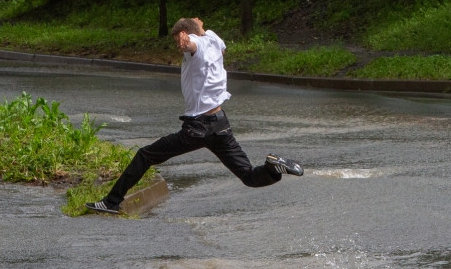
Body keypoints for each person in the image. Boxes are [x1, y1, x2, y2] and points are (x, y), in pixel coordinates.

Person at [86, 17, 303, 215]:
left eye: (176, 39)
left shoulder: (194, 44)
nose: (177, 45)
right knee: (248, 175)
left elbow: (191, 43)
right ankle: (272, 167)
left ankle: (111, 201)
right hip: (220, 124)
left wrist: (185, 38)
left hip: (198, 128)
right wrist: (199, 28)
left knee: (145, 155)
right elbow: (213, 43)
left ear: (185, 32)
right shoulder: (214, 40)